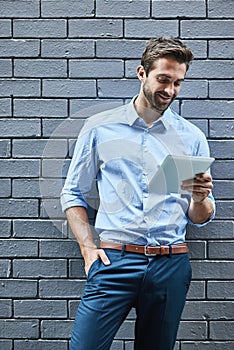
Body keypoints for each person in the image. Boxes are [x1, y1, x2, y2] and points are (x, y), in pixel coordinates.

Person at [61, 36, 215, 350]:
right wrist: (89, 250)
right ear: (141, 73)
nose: (170, 90)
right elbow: (73, 193)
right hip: (114, 261)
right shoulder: (99, 128)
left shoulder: (191, 137)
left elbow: (199, 217)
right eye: (163, 79)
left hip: (170, 265)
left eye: (177, 83)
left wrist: (199, 197)